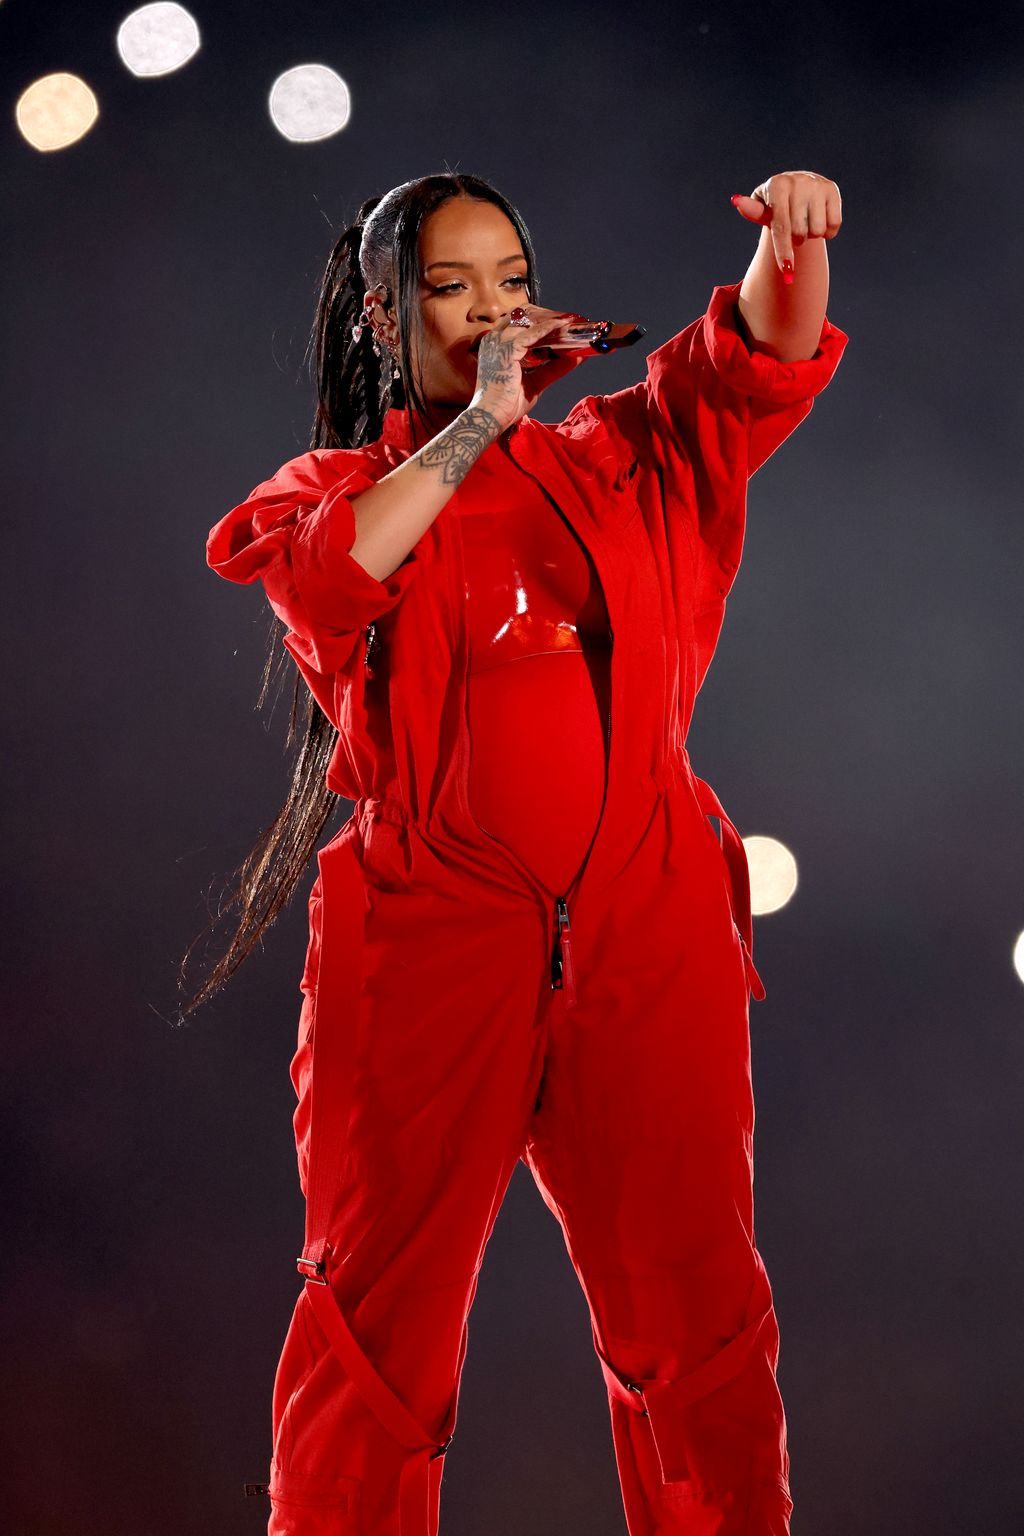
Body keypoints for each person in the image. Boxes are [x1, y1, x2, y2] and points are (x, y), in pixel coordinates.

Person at [197, 170, 848, 1535]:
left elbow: (757, 357)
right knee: (375, 1328)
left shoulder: (626, 452)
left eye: (509, 277)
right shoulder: (336, 490)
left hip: (650, 924)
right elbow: (329, 576)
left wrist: (796, 245)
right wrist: (484, 422)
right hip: (428, 943)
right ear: (387, 315)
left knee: (704, 1320)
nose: (493, 310)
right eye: (451, 287)